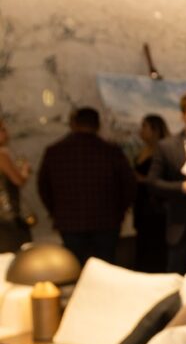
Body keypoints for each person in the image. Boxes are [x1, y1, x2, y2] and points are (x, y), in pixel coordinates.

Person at [37, 107, 136, 265]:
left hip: (69, 222)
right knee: (105, 269)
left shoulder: (55, 151)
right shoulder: (111, 151)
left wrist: (56, 212)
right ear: (97, 125)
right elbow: (128, 186)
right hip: (106, 221)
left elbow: (43, 188)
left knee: (73, 267)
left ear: (74, 124)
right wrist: (119, 212)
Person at [147, 92, 186, 273]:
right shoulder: (168, 146)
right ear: (183, 116)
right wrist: (183, 187)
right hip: (181, 220)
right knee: (176, 272)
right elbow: (152, 183)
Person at [133, 114, 169, 272]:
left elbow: (164, 178)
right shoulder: (144, 151)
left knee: (155, 249)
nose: (141, 131)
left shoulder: (162, 151)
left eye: (144, 127)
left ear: (155, 129)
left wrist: (144, 179)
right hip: (142, 206)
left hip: (156, 209)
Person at [0, 115, 31, 252]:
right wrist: (24, 171)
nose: (7, 133)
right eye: (2, 130)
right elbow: (17, 180)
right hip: (7, 217)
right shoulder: (2, 156)